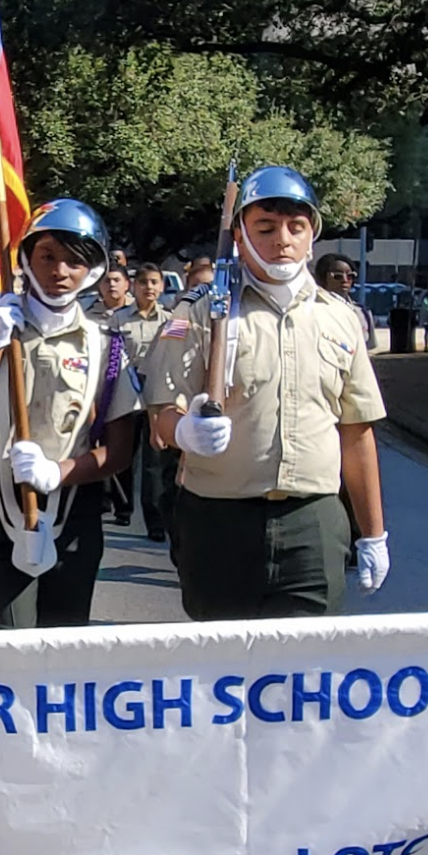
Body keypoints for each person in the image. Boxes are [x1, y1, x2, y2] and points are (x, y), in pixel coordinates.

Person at [147, 167, 389, 619]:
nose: (282, 239)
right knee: (222, 670)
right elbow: (162, 409)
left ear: (312, 236)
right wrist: (184, 431)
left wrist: (373, 533)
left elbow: (356, 432)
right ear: (239, 236)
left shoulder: (339, 319)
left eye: (296, 227)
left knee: (303, 672)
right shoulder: (201, 315)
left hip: (312, 522)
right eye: (265, 227)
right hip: (218, 519)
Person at [0, 199, 141, 628]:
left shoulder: (107, 344)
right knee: (9, 641)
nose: (60, 271)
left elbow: (120, 452)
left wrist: (60, 471)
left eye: (76, 260)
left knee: (65, 643)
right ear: (26, 256)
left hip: (73, 503)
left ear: (96, 270)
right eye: (47, 255)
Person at [110, 262, 174, 541]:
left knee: (154, 461)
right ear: (133, 287)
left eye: (154, 282)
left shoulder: (170, 320)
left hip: (156, 395)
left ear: (161, 287)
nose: (149, 287)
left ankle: (155, 521)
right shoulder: (119, 319)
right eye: (144, 282)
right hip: (125, 393)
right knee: (124, 454)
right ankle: (123, 508)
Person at [315, 253, 377, 351]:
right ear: (322, 277)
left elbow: (369, 349)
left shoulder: (362, 313)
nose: (345, 280)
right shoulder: (311, 312)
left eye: (350, 276)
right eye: (337, 276)